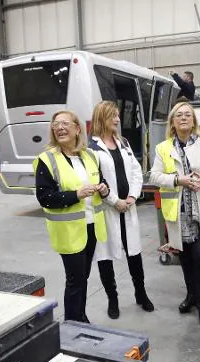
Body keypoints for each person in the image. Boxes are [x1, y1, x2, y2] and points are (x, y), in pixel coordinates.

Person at [149, 102, 200, 328]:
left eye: (187, 115)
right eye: (178, 115)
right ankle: (191, 296)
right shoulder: (163, 148)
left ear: (193, 120)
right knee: (185, 257)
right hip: (178, 211)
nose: (183, 118)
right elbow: (154, 175)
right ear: (173, 122)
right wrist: (176, 180)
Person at [34, 110, 109, 323]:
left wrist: (103, 188)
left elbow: (101, 180)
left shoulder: (88, 156)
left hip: (91, 226)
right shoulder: (47, 160)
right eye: (56, 124)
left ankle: (80, 316)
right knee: (75, 280)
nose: (60, 127)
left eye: (65, 123)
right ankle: (72, 323)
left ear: (77, 129)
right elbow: (45, 198)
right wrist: (76, 195)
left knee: (82, 277)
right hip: (68, 231)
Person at [88, 101, 154, 319]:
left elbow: (136, 170)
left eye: (117, 116)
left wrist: (133, 196)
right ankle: (113, 299)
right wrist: (115, 201)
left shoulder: (123, 142)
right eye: (112, 116)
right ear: (101, 118)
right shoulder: (91, 148)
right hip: (108, 211)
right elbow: (96, 179)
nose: (117, 120)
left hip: (128, 208)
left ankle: (141, 294)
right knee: (105, 257)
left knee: (134, 254)